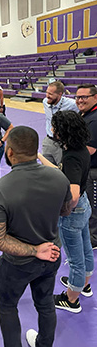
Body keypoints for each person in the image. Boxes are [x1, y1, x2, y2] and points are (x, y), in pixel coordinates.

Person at [0, 126, 73, 347]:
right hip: (52, 255)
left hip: (18, 264)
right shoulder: (59, 178)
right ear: (36, 151)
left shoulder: (0, 189)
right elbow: (66, 209)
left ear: (10, 151)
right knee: (45, 304)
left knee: (7, 307)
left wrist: (34, 250)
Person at [38, 111, 94, 314]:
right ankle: (83, 284)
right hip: (84, 208)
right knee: (86, 248)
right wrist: (38, 156)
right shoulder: (80, 149)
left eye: (55, 127)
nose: (53, 130)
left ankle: (71, 299)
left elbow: (74, 193)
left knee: (75, 258)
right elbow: (61, 172)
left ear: (63, 130)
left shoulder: (71, 156)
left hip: (74, 211)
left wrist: (64, 212)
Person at [75, 84, 97, 249]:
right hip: (87, 169)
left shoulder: (94, 119)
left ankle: (94, 239)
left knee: (93, 206)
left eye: (84, 97)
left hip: (93, 171)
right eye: (77, 97)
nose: (80, 100)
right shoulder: (84, 115)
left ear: (95, 97)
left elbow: (89, 150)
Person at [42, 80, 78, 165]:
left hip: (63, 144)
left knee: (62, 171)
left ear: (60, 94)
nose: (47, 96)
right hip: (48, 141)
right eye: (47, 93)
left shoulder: (72, 104)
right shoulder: (45, 102)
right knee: (46, 169)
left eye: (50, 94)